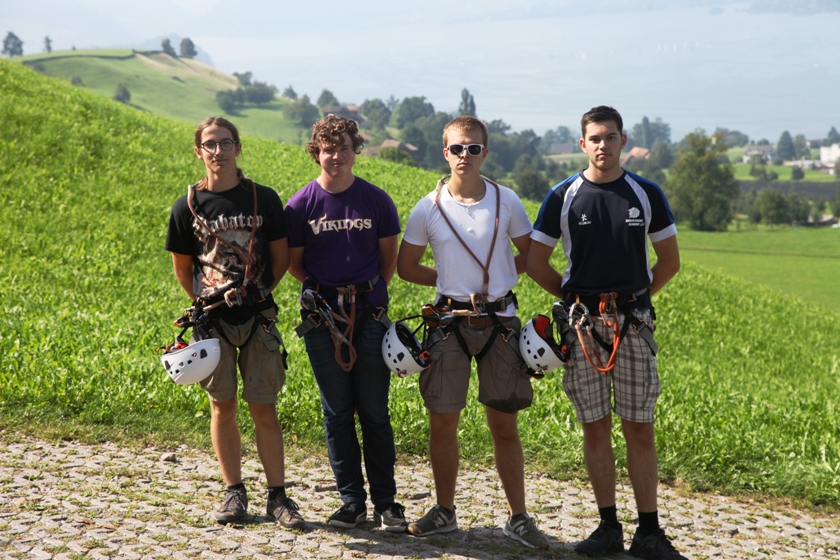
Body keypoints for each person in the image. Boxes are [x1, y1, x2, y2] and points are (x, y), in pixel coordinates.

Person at [526, 106, 683, 559]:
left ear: (622, 141)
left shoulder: (646, 193)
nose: (602, 145)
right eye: (594, 138)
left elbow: (669, 261)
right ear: (583, 144)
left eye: (610, 137)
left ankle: (649, 533)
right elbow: (536, 263)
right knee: (594, 428)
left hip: (633, 325)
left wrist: (633, 301)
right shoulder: (562, 196)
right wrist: (576, 300)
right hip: (581, 328)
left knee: (640, 427)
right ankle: (608, 527)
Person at [397, 116, 549, 550]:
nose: (466, 155)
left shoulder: (507, 200)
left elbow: (530, 256)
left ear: (485, 152)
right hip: (449, 323)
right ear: (445, 153)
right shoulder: (428, 207)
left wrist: (498, 279)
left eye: (474, 148)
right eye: (458, 148)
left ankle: (518, 517)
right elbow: (406, 267)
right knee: (443, 421)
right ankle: (444, 512)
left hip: (500, 322)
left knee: (505, 423)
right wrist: (450, 282)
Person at [165, 116, 305, 529]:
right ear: (198, 152)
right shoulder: (186, 207)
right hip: (213, 323)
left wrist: (256, 294)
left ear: (238, 148)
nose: (218, 152)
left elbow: (281, 259)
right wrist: (208, 302)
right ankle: (234, 491)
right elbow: (183, 269)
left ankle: (278, 497)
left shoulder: (264, 199)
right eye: (210, 144)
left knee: (264, 406)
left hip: (258, 317)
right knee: (221, 405)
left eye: (226, 143)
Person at [284, 114, 407, 532]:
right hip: (322, 319)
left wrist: (364, 295)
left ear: (355, 151)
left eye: (344, 148)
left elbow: (388, 260)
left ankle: (387, 502)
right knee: (336, 412)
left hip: (369, 314)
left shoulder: (376, 200)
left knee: (374, 411)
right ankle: (352, 502)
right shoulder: (300, 206)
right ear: (315, 152)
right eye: (328, 149)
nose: (336, 156)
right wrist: (328, 296)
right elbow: (295, 265)